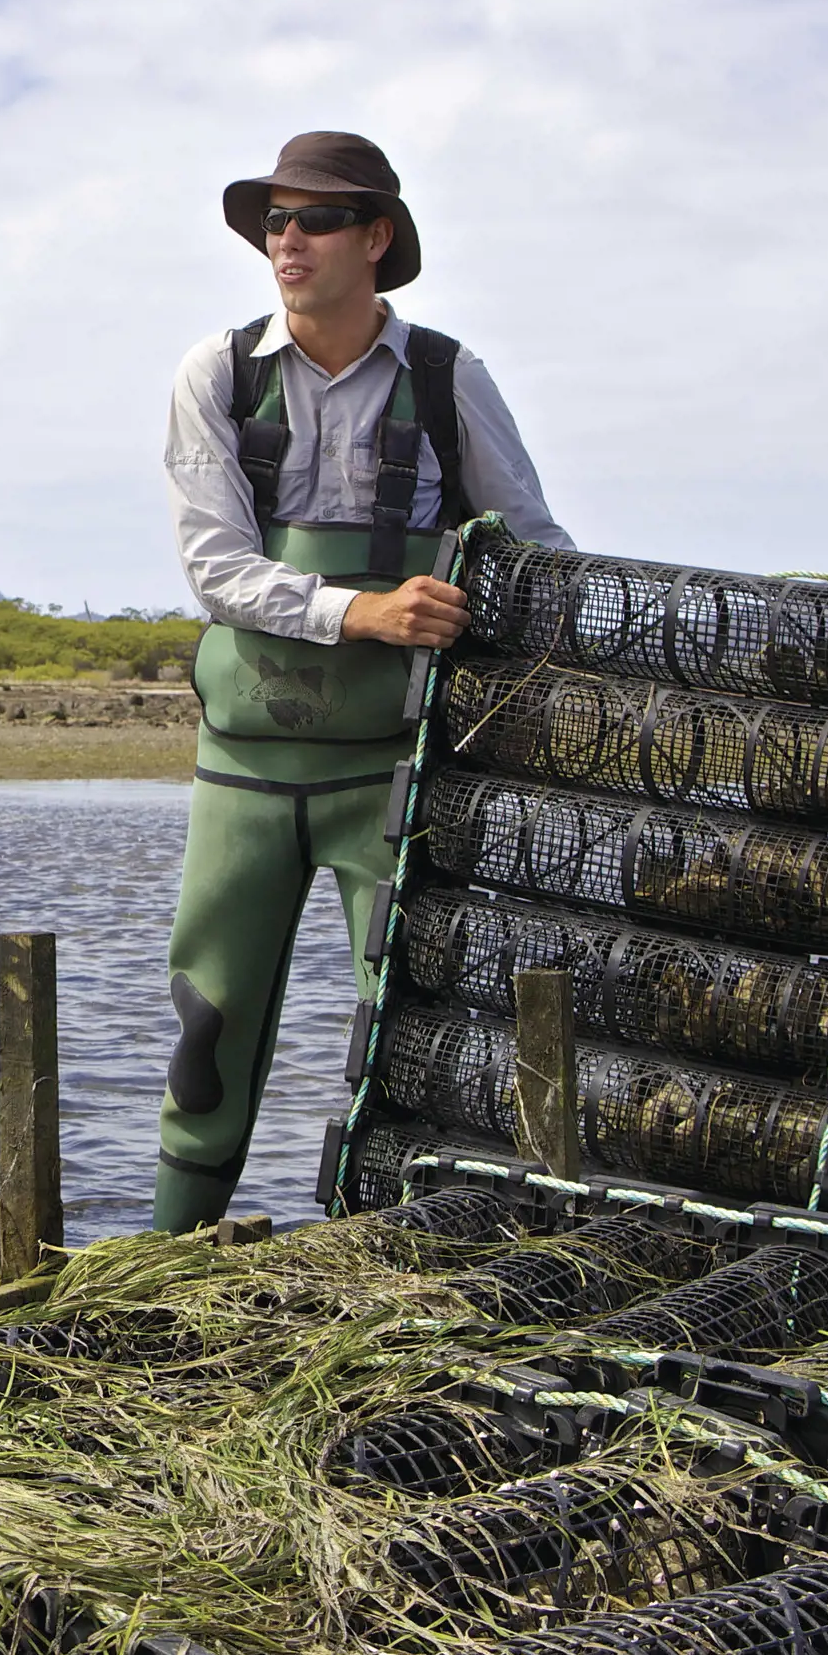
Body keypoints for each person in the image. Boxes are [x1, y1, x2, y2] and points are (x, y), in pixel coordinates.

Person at [152, 131, 571, 1233]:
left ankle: (395, 1258)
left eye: (314, 220)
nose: (285, 241)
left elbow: (531, 547)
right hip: (241, 767)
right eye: (273, 222)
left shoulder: (445, 376)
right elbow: (215, 571)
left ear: (374, 238)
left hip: (393, 770)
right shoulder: (215, 374)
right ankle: (157, 1271)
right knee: (207, 1029)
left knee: (410, 1028)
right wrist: (364, 610)